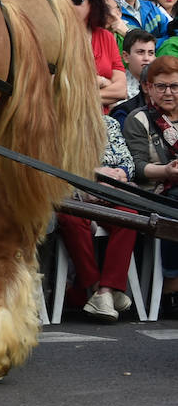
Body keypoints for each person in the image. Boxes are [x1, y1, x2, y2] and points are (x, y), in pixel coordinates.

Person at [60, 114, 137, 321]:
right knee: (71, 220)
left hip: (110, 190)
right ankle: (100, 290)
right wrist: (91, 177)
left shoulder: (108, 123)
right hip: (73, 193)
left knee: (130, 217)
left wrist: (118, 175)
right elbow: (53, 165)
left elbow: (128, 162)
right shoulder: (54, 121)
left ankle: (106, 290)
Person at [121, 54, 178, 320]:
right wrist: (167, 171)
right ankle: (171, 285)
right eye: (162, 86)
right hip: (153, 191)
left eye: (175, 86)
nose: (169, 93)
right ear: (149, 88)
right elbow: (139, 167)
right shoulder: (139, 119)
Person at [51, 0, 127, 111]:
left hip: (101, 123)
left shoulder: (106, 37)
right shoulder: (51, 38)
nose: (68, 5)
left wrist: (79, 94)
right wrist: (100, 83)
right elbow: (51, 88)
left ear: (93, 2)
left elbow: (120, 91)